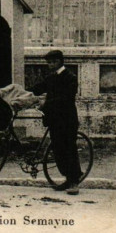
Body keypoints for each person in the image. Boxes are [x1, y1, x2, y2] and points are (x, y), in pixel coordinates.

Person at [30, 50, 81, 194]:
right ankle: (67, 178)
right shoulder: (51, 77)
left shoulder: (70, 77)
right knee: (58, 150)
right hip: (54, 119)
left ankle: (74, 182)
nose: (50, 65)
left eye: (53, 62)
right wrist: (23, 94)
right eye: (48, 62)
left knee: (69, 149)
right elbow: (38, 88)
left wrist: (44, 105)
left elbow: (66, 99)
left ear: (60, 61)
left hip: (67, 119)